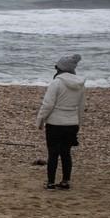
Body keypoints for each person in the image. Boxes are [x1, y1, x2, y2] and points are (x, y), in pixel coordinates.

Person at [36, 53, 86, 190]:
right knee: (66, 153)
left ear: (60, 68)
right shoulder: (80, 84)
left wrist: (40, 120)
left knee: (53, 154)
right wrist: (78, 123)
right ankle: (65, 181)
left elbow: (48, 105)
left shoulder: (56, 83)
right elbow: (81, 107)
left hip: (55, 123)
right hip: (72, 123)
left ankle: (51, 182)